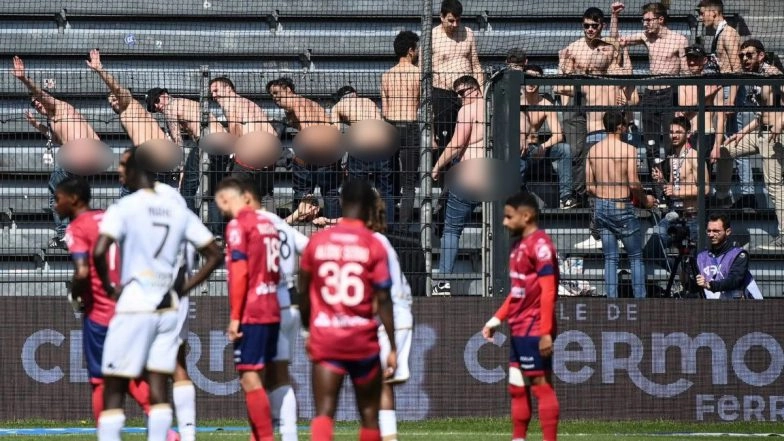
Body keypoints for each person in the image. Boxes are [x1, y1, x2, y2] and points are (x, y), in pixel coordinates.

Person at [93, 147, 223, 441]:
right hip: (168, 304)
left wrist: (110, 287)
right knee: (160, 381)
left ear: (137, 168)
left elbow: (100, 250)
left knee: (114, 384)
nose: (119, 171)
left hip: (135, 303)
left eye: (124, 165)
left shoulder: (125, 207)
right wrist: (182, 288)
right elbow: (214, 254)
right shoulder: (176, 205)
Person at [297, 179, 396, 441]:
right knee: (369, 413)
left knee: (324, 412)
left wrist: (308, 329)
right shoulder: (374, 244)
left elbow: (304, 293)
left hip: (327, 336)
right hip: (361, 339)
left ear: (341, 202)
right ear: (367, 205)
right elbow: (384, 299)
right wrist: (393, 345)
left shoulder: (317, 242)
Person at [55, 177, 155, 428]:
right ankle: (166, 430)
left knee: (100, 379)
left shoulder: (77, 227)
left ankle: (106, 433)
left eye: (58, 199)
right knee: (133, 375)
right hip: (129, 307)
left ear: (74, 199)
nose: (55, 206)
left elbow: (82, 271)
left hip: (101, 313)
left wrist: (76, 295)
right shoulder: (111, 218)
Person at [221, 176, 307, 441]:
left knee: (255, 376)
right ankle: (283, 434)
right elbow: (311, 249)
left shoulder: (247, 225)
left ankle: (263, 434)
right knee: (278, 375)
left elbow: (241, 271)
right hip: (289, 299)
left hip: (264, 303)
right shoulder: (278, 223)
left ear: (245, 196)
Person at [482, 191, 560, 441]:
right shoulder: (519, 246)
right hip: (518, 328)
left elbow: (548, 290)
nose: (504, 223)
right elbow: (517, 292)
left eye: (508, 217)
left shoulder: (541, 246)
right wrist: (496, 319)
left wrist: (546, 331)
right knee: (517, 387)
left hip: (534, 327)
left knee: (540, 386)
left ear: (526, 216)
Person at [214, 177, 283, 441]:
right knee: (260, 376)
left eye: (224, 202)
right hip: (272, 305)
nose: (224, 208)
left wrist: (235, 317)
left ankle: (265, 438)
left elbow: (240, 274)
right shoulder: (269, 224)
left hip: (252, 310)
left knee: (249, 378)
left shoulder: (238, 225)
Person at [12, 55, 101, 249]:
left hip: (81, 155)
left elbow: (41, 95)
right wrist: (37, 125)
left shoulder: (58, 107)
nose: (39, 105)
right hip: (89, 156)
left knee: (55, 186)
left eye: (39, 102)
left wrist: (24, 79)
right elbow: (58, 139)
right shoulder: (57, 118)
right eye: (35, 105)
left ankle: (63, 234)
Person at [85, 49, 181, 195]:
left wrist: (100, 70)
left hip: (152, 157)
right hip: (158, 160)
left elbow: (116, 88)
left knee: (128, 196)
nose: (114, 102)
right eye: (110, 102)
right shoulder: (131, 114)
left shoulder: (129, 103)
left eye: (115, 98)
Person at [717, 39, 784, 249]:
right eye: (742, 55)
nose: (745, 59)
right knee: (726, 150)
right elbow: (760, 115)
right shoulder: (752, 77)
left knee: (774, 187)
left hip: (774, 137)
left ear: (761, 55)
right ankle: (722, 197)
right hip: (759, 132)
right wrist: (740, 133)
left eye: (749, 55)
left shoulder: (772, 73)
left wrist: (781, 123)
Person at [558, 4, 624, 206]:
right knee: (577, 149)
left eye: (594, 26)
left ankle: (599, 194)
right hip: (576, 100)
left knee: (600, 146)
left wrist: (614, 16)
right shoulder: (573, 48)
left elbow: (617, 48)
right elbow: (561, 83)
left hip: (599, 100)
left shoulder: (606, 47)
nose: (590, 30)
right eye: (586, 26)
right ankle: (579, 194)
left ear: (601, 26)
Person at [586, 111, 655, 298]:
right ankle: (640, 301)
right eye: (624, 125)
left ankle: (611, 301)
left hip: (601, 206)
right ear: (619, 127)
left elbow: (589, 186)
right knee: (635, 257)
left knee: (610, 258)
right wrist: (646, 200)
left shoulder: (593, 150)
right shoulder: (628, 150)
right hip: (621, 206)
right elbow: (633, 182)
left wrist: (604, 195)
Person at [146, 86, 229, 234]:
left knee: (186, 191)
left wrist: (181, 168)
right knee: (213, 191)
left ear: (165, 95)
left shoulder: (170, 108)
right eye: (153, 106)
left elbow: (178, 142)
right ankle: (218, 235)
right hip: (223, 144)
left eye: (157, 101)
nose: (158, 106)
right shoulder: (186, 102)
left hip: (208, 144)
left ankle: (194, 232)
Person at [431, 76, 486, 295]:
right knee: (502, 230)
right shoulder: (501, 107)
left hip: (469, 176)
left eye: (464, 93)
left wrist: (437, 166)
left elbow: (456, 143)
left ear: (476, 89)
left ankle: (443, 283)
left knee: (451, 230)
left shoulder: (469, 110)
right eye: (458, 95)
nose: (461, 98)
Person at [366, 192, 413, 441]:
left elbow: (380, 292)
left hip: (391, 317)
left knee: (378, 381)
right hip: (395, 315)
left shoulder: (374, 242)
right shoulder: (378, 240)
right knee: (379, 383)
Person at [619, 2, 689, 159]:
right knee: (651, 144)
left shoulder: (679, 40)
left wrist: (683, 101)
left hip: (669, 93)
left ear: (661, 19)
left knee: (671, 142)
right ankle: (657, 181)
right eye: (643, 20)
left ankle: (672, 180)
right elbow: (618, 39)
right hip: (650, 94)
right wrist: (614, 16)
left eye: (649, 20)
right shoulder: (646, 37)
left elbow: (685, 72)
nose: (645, 24)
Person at [266, 77, 342, 220]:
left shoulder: (298, 103)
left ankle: (302, 225)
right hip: (330, 150)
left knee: (303, 191)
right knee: (330, 192)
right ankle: (334, 225)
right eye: (271, 95)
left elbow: (308, 130)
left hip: (313, 149)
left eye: (276, 92)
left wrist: (300, 155)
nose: (274, 97)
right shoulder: (309, 103)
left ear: (288, 90)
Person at [646, 117, 710, 269]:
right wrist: (661, 181)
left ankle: (686, 281)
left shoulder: (694, 156)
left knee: (696, 264)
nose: (674, 135)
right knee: (651, 249)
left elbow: (705, 188)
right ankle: (677, 272)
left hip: (693, 217)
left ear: (688, 134)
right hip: (675, 215)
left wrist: (677, 191)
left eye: (678, 132)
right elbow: (673, 189)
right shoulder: (672, 157)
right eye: (671, 132)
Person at [209, 76, 278, 208]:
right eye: (212, 93)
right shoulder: (250, 104)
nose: (214, 96)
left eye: (216, 90)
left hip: (250, 155)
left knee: (236, 194)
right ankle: (268, 226)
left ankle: (240, 226)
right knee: (264, 195)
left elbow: (236, 127)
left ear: (228, 89)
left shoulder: (231, 103)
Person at [332, 85, 395, 226]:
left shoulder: (338, 106)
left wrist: (343, 162)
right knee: (385, 191)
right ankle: (389, 230)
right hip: (382, 144)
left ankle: (356, 225)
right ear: (355, 94)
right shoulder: (369, 101)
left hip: (361, 147)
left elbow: (336, 135)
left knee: (356, 189)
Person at [519, 64, 576, 209]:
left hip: (535, 150)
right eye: (528, 78)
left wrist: (543, 146)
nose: (531, 82)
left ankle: (566, 197)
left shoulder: (545, 104)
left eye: (535, 79)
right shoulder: (514, 101)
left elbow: (558, 135)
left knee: (564, 149)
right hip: (515, 150)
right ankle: (517, 194)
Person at [431, 0, 484, 151]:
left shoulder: (468, 33)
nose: (455, 24)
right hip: (443, 94)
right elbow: (424, 71)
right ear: (441, 17)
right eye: (451, 20)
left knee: (470, 139)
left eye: (458, 20)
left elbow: (476, 65)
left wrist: (481, 93)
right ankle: (443, 173)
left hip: (469, 94)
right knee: (446, 141)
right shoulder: (432, 36)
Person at [382, 30, 421, 227]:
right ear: (410, 50)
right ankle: (404, 228)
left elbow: (385, 109)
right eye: (417, 48)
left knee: (388, 181)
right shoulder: (419, 74)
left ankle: (388, 224)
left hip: (390, 126)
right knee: (408, 184)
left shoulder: (386, 76)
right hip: (410, 125)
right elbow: (422, 103)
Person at [695, 215, 763, 299]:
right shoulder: (701, 257)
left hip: (735, 307)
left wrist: (710, 285)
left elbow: (734, 280)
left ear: (728, 231)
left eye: (716, 231)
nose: (711, 234)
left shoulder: (739, 255)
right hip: (708, 307)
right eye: (709, 231)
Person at [677, 46, 725, 160]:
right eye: (689, 58)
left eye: (696, 58)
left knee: (704, 174)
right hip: (688, 135)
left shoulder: (715, 84)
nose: (692, 62)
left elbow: (721, 118)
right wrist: (703, 98)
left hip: (706, 135)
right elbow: (683, 112)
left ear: (704, 60)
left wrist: (717, 146)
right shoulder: (683, 84)